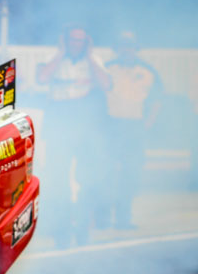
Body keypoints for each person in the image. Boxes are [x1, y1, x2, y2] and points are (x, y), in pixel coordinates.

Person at [36, 24, 112, 246]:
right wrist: (60, 53)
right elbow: (42, 78)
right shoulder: (52, 58)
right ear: (65, 40)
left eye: (81, 40)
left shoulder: (94, 60)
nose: (76, 44)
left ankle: (83, 227)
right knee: (58, 178)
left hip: (85, 125)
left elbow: (107, 84)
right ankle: (61, 230)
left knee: (87, 177)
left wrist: (90, 57)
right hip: (59, 122)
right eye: (72, 40)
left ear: (87, 42)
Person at [104, 31, 164, 229]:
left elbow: (157, 100)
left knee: (130, 173)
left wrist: (147, 124)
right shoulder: (108, 68)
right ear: (117, 48)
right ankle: (103, 217)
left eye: (130, 46)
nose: (127, 49)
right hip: (111, 126)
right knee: (106, 172)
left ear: (136, 48)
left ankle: (123, 218)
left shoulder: (148, 71)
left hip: (135, 127)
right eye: (123, 45)